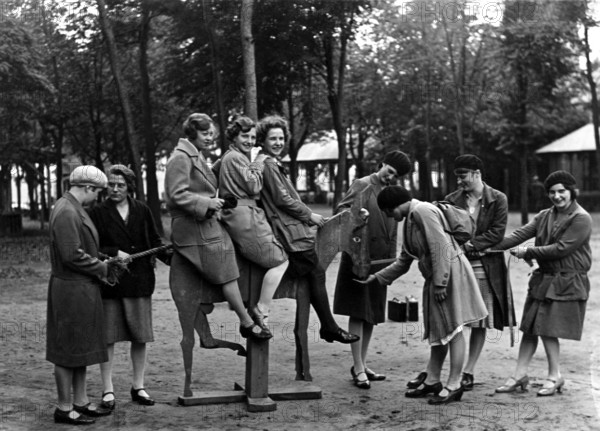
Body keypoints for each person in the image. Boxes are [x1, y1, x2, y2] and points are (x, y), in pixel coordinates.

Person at [359, 186, 488, 404]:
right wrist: (378, 278)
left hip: (448, 275)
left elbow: (440, 247)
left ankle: (454, 384)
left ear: (397, 205)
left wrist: (440, 283)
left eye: (390, 212)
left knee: (454, 328)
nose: (390, 217)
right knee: (438, 329)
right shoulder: (409, 219)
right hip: (437, 277)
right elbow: (404, 260)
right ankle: (432, 379)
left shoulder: (422, 211)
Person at [165, 113, 272, 340]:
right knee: (225, 260)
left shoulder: (195, 156)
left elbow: (206, 178)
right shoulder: (180, 157)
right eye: (205, 133)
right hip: (192, 226)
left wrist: (227, 159)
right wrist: (207, 202)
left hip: (203, 220)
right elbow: (175, 195)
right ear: (192, 132)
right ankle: (245, 321)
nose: (209, 137)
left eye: (211, 133)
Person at [255, 115, 359, 344]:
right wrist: (309, 215)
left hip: (287, 226)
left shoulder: (267, 162)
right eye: (273, 138)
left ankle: (327, 326)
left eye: (281, 138)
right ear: (262, 140)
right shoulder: (268, 164)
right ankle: (329, 327)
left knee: (314, 272)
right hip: (287, 230)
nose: (278, 142)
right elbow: (283, 200)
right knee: (316, 271)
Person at [494, 170, 592, 396]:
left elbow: (561, 249)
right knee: (530, 327)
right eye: (552, 192)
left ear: (571, 192)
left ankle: (554, 376)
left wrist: (528, 251)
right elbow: (519, 234)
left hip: (567, 280)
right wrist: (484, 245)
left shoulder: (581, 218)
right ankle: (519, 375)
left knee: (548, 329)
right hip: (544, 279)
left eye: (561, 191)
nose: (557, 196)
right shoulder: (545, 215)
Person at [88, 165, 171, 409]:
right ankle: (108, 390)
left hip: (140, 282)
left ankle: (138, 386)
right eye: (111, 184)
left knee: (140, 337)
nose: (115, 189)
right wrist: (114, 254)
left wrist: (173, 257)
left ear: (130, 187)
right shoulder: (97, 212)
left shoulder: (142, 210)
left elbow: (155, 242)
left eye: (120, 185)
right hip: (111, 284)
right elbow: (92, 248)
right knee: (108, 338)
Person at [47, 165, 121, 424]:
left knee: (81, 348)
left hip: (82, 288)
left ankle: (80, 401)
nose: (98, 197)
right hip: (71, 289)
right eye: (98, 192)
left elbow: (82, 247)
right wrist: (102, 267)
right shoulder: (67, 210)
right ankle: (64, 407)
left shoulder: (74, 208)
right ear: (88, 188)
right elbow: (71, 255)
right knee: (67, 350)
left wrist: (103, 258)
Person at [332, 150, 411, 389]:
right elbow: (340, 212)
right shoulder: (362, 184)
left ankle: (363, 363)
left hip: (381, 260)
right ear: (383, 163)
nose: (390, 177)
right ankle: (357, 367)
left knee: (371, 315)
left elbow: (394, 225)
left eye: (395, 176)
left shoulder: (391, 193)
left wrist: (391, 260)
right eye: (390, 171)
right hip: (359, 258)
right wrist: (357, 214)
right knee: (358, 311)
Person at [441, 154, 513, 391]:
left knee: (480, 320)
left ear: (477, 173)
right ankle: (453, 370)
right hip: (457, 266)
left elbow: (497, 233)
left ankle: (468, 370)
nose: (460, 181)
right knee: (457, 317)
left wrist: (470, 246)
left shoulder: (498, 199)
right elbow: (446, 232)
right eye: (457, 176)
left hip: (484, 268)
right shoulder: (451, 200)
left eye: (463, 176)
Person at [216, 115, 289, 327]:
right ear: (234, 136)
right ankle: (261, 309)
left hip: (243, 214)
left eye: (253, 137)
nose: (249, 141)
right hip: (244, 217)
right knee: (281, 260)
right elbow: (254, 187)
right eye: (244, 136)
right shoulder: (237, 158)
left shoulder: (229, 157)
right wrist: (258, 163)